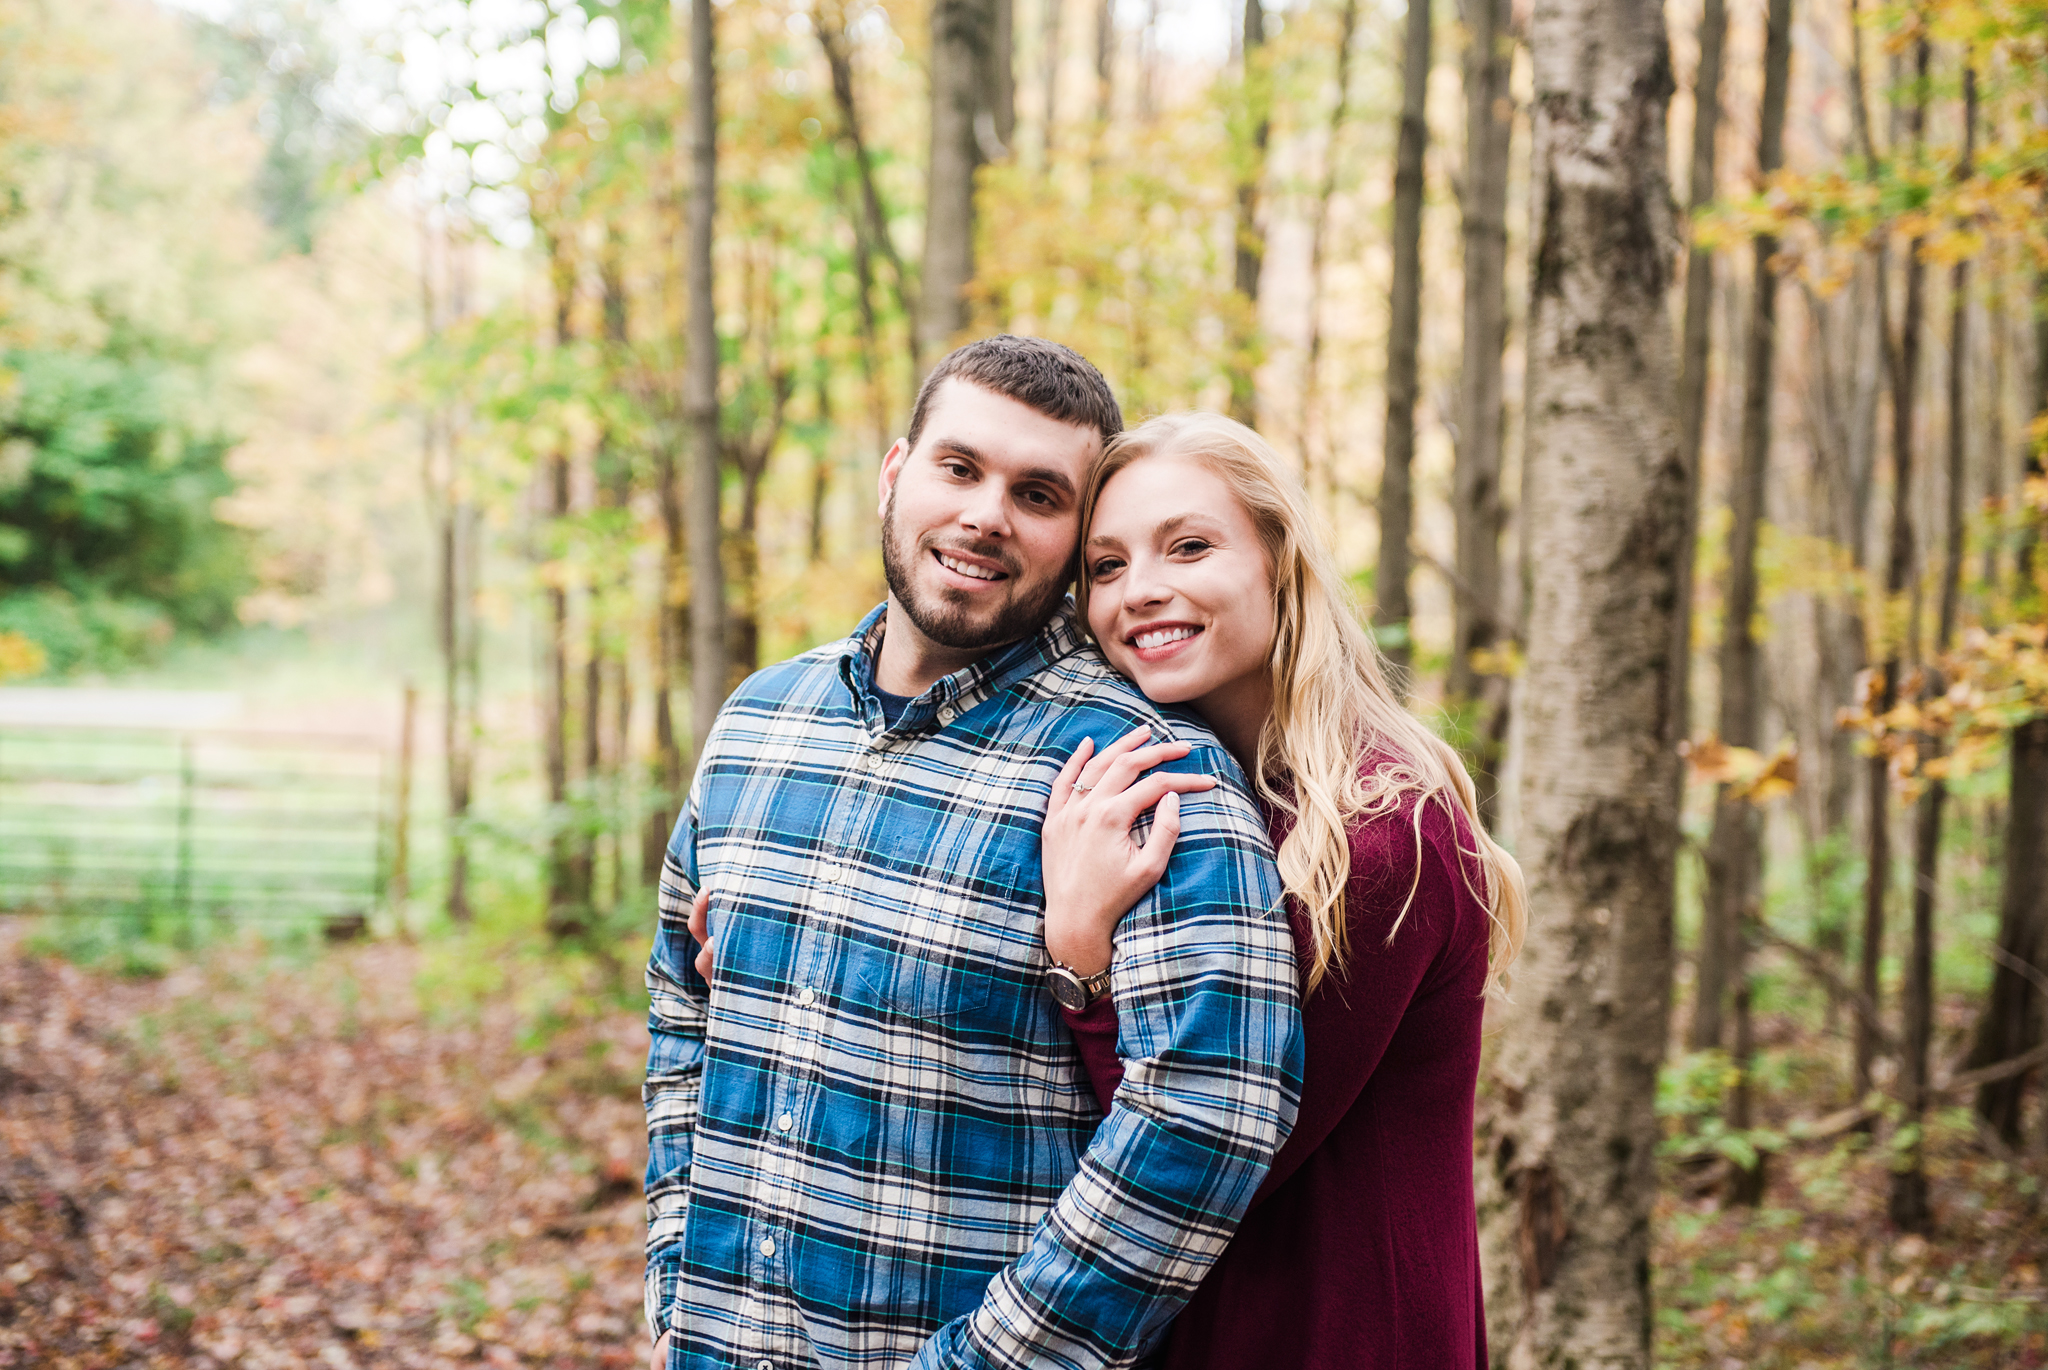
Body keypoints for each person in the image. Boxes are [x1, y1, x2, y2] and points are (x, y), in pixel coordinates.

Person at [642, 338, 1304, 1370]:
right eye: (960, 468)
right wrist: (672, 1278)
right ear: (895, 472)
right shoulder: (758, 723)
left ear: (1072, 540)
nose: (986, 513)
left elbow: (1209, 1116)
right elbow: (682, 1012)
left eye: (1036, 493)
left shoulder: (1140, 774)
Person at [1041, 412, 1528, 1369]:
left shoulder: (1388, 834)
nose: (1142, 590)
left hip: (1341, 1329)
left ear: (1278, 560)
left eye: (1189, 546)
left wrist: (1079, 956)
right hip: (1196, 1324)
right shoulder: (1164, 794)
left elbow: (1214, 1159)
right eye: (1105, 566)